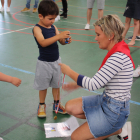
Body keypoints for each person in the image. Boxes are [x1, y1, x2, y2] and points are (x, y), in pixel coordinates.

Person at [59, 15, 134, 140]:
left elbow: (94, 84)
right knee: (70, 107)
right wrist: (77, 84)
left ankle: (116, 128)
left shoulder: (117, 57)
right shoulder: (117, 51)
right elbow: (104, 81)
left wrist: (68, 71)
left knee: (76, 138)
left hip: (115, 111)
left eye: (98, 35)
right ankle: (110, 127)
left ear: (110, 35)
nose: (95, 38)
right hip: (107, 101)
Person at [33, 0, 72, 118]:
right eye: (50, 18)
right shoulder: (37, 29)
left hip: (56, 62)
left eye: (54, 18)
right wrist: (59, 36)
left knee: (56, 85)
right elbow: (43, 43)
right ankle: (41, 105)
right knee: (43, 86)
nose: (52, 21)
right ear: (40, 16)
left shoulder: (53, 27)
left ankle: (57, 104)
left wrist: (65, 40)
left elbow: (59, 41)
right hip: (44, 63)